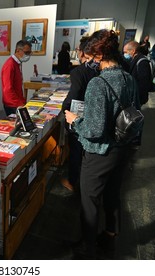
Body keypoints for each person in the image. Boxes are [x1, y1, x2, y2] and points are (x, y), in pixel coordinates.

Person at [64, 29, 140, 259]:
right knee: (113, 194)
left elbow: (94, 130)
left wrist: (75, 120)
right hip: (122, 149)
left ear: (98, 56)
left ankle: (87, 247)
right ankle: (109, 235)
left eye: (90, 58)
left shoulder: (99, 83)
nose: (89, 63)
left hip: (99, 154)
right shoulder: (129, 78)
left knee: (89, 200)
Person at [60, 37, 98, 192]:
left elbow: (74, 94)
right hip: (93, 113)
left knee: (75, 149)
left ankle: (72, 181)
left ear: (82, 52)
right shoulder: (99, 70)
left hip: (77, 115)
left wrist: (65, 108)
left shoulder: (79, 72)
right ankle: (85, 180)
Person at [0, 40, 32, 116]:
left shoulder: (17, 63)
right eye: (26, 52)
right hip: (12, 104)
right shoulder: (10, 65)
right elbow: (8, 89)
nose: (28, 55)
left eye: (29, 53)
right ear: (18, 50)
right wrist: (19, 104)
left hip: (17, 102)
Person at [123, 40, 152, 105]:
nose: (124, 54)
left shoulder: (142, 62)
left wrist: (135, 97)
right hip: (134, 95)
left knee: (134, 114)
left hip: (138, 97)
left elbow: (143, 83)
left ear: (133, 51)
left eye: (125, 52)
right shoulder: (134, 59)